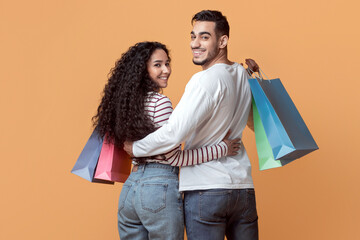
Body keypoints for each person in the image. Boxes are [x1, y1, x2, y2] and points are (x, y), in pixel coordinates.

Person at [124, 10, 260, 240]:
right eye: (193, 36)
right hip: (243, 189)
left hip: (206, 189)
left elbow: (173, 134)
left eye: (204, 37)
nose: (195, 44)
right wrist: (249, 71)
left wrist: (135, 148)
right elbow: (255, 123)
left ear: (223, 41)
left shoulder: (204, 80)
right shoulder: (241, 74)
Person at [92, 41, 241, 240]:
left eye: (167, 63)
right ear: (142, 69)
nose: (166, 70)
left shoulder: (125, 106)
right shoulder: (159, 102)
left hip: (129, 190)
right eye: (158, 65)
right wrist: (222, 149)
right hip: (157, 190)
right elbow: (175, 159)